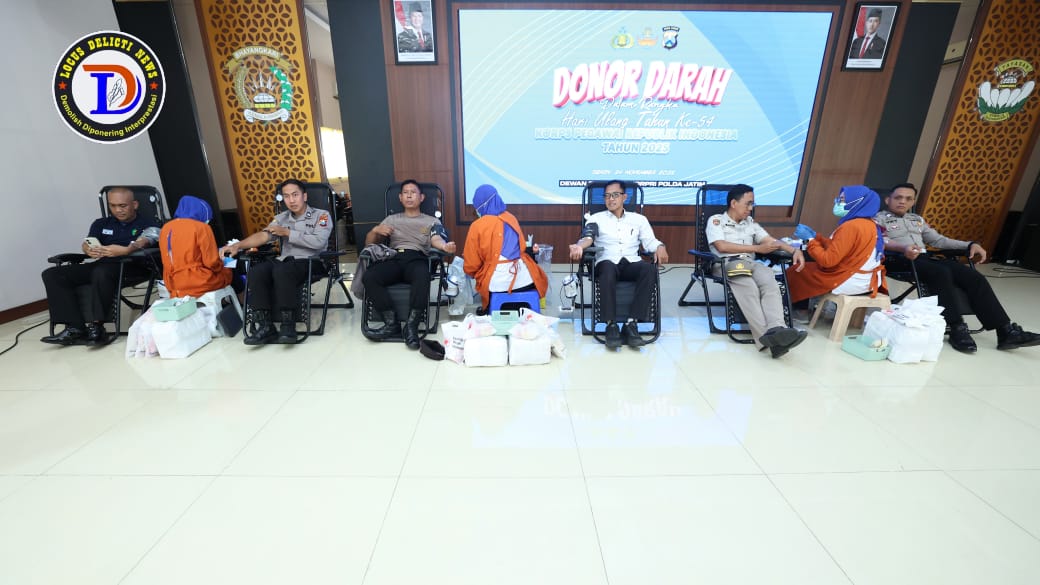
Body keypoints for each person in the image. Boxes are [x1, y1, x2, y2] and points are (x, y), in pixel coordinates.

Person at [875, 183, 1040, 352]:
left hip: (924, 258)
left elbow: (939, 241)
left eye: (908, 198)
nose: (902, 201)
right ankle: (956, 327)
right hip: (898, 259)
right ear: (888, 200)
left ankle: (1006, 331)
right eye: (898, 197)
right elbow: (880, 240)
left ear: (913, 202)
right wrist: (903, 248)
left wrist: (969, 245)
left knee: (973, 276)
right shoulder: (878, 219)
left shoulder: (917, 220)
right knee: (941, 272)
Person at [41, 187, 160, 346]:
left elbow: (146, 240)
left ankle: (97, 327)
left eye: (123, 206)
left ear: (135, 204)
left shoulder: (149, 223)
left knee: (101, 272)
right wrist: (87, 249)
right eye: (113, 206)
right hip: (102, 264)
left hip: (132, 266)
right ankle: (74, 328)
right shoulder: (101, 223)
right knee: (52, 274)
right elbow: (88, 242)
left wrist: (127, 250)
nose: (117, 210)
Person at [221, 179, 332, 345]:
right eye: (286, 196)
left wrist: (287, 232)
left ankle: (288, 324)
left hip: (312, 261)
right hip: (286, 261)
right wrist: (238, 245)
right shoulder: (281, 218)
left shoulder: (321, 216)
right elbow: (264, 235)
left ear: (304, 196)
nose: (291, 200)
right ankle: (266, 325)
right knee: (257, 271)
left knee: (283, 270)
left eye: (295, 195)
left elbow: (319, 242)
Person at [705, 184, 807, 358]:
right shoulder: (716, 220)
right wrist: (757, 248)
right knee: (749, 287)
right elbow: (721, 246)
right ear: (734, 203)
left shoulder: (750, 223)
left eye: (752, 204)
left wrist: (794, 251)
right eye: (748, 204)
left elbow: (771, 241)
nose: (751, 208)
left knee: (769, 281)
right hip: (727, 263)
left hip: (750, 262)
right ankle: (767, 338)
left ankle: (777, 328)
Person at [569, 180, 667, 349]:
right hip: (607, 263)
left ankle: (631, 324)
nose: (611, 199)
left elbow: (650, 241)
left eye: (615, 195)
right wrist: (579, 246)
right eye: (607, 196)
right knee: (607, 268)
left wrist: (660, 246)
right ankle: (611, 325)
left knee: (649, 269)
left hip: (631, 262)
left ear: (624, 197)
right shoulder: (596, 218)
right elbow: (588, 237)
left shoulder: (639, 219)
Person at [363, 179, 456, 349]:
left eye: (413, 192)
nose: (409, 195)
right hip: (394, 258)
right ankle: (391, 323)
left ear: (421, 197)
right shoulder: (391, 219)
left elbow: (436, 238)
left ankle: (411, 326)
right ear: (400, 198)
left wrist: (444, 246)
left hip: (417, 258)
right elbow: (369, 244)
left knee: (422, 274)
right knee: (370, 276)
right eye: (405, 193)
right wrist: (375, 231)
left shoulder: (431, 221)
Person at [787, 185, 887, 303]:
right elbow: (840, 247)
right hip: (867, 279)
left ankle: (797, 311)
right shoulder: (870, 224)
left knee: (797, 270)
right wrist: (816, 237)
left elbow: (828, 261)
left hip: (849, 279)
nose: (838, 203)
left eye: (843, 200)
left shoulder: (851, 226)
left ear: (857, 202)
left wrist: (809, 240)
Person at [463, 184, 548, 311]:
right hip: (525, 281)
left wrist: (473, 272)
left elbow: (471, 264)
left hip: (496, 284)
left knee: (485, 283)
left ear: (481, 205)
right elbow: (522, 248)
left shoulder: (477, 226)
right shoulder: (511, 218)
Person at [159, 195, 232, 298]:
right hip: (200, 282)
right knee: (230, 268)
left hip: (174, 285)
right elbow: (212, 263)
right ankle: (241, 303)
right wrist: (223, 263)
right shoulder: (202, 227)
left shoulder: (165, 229)